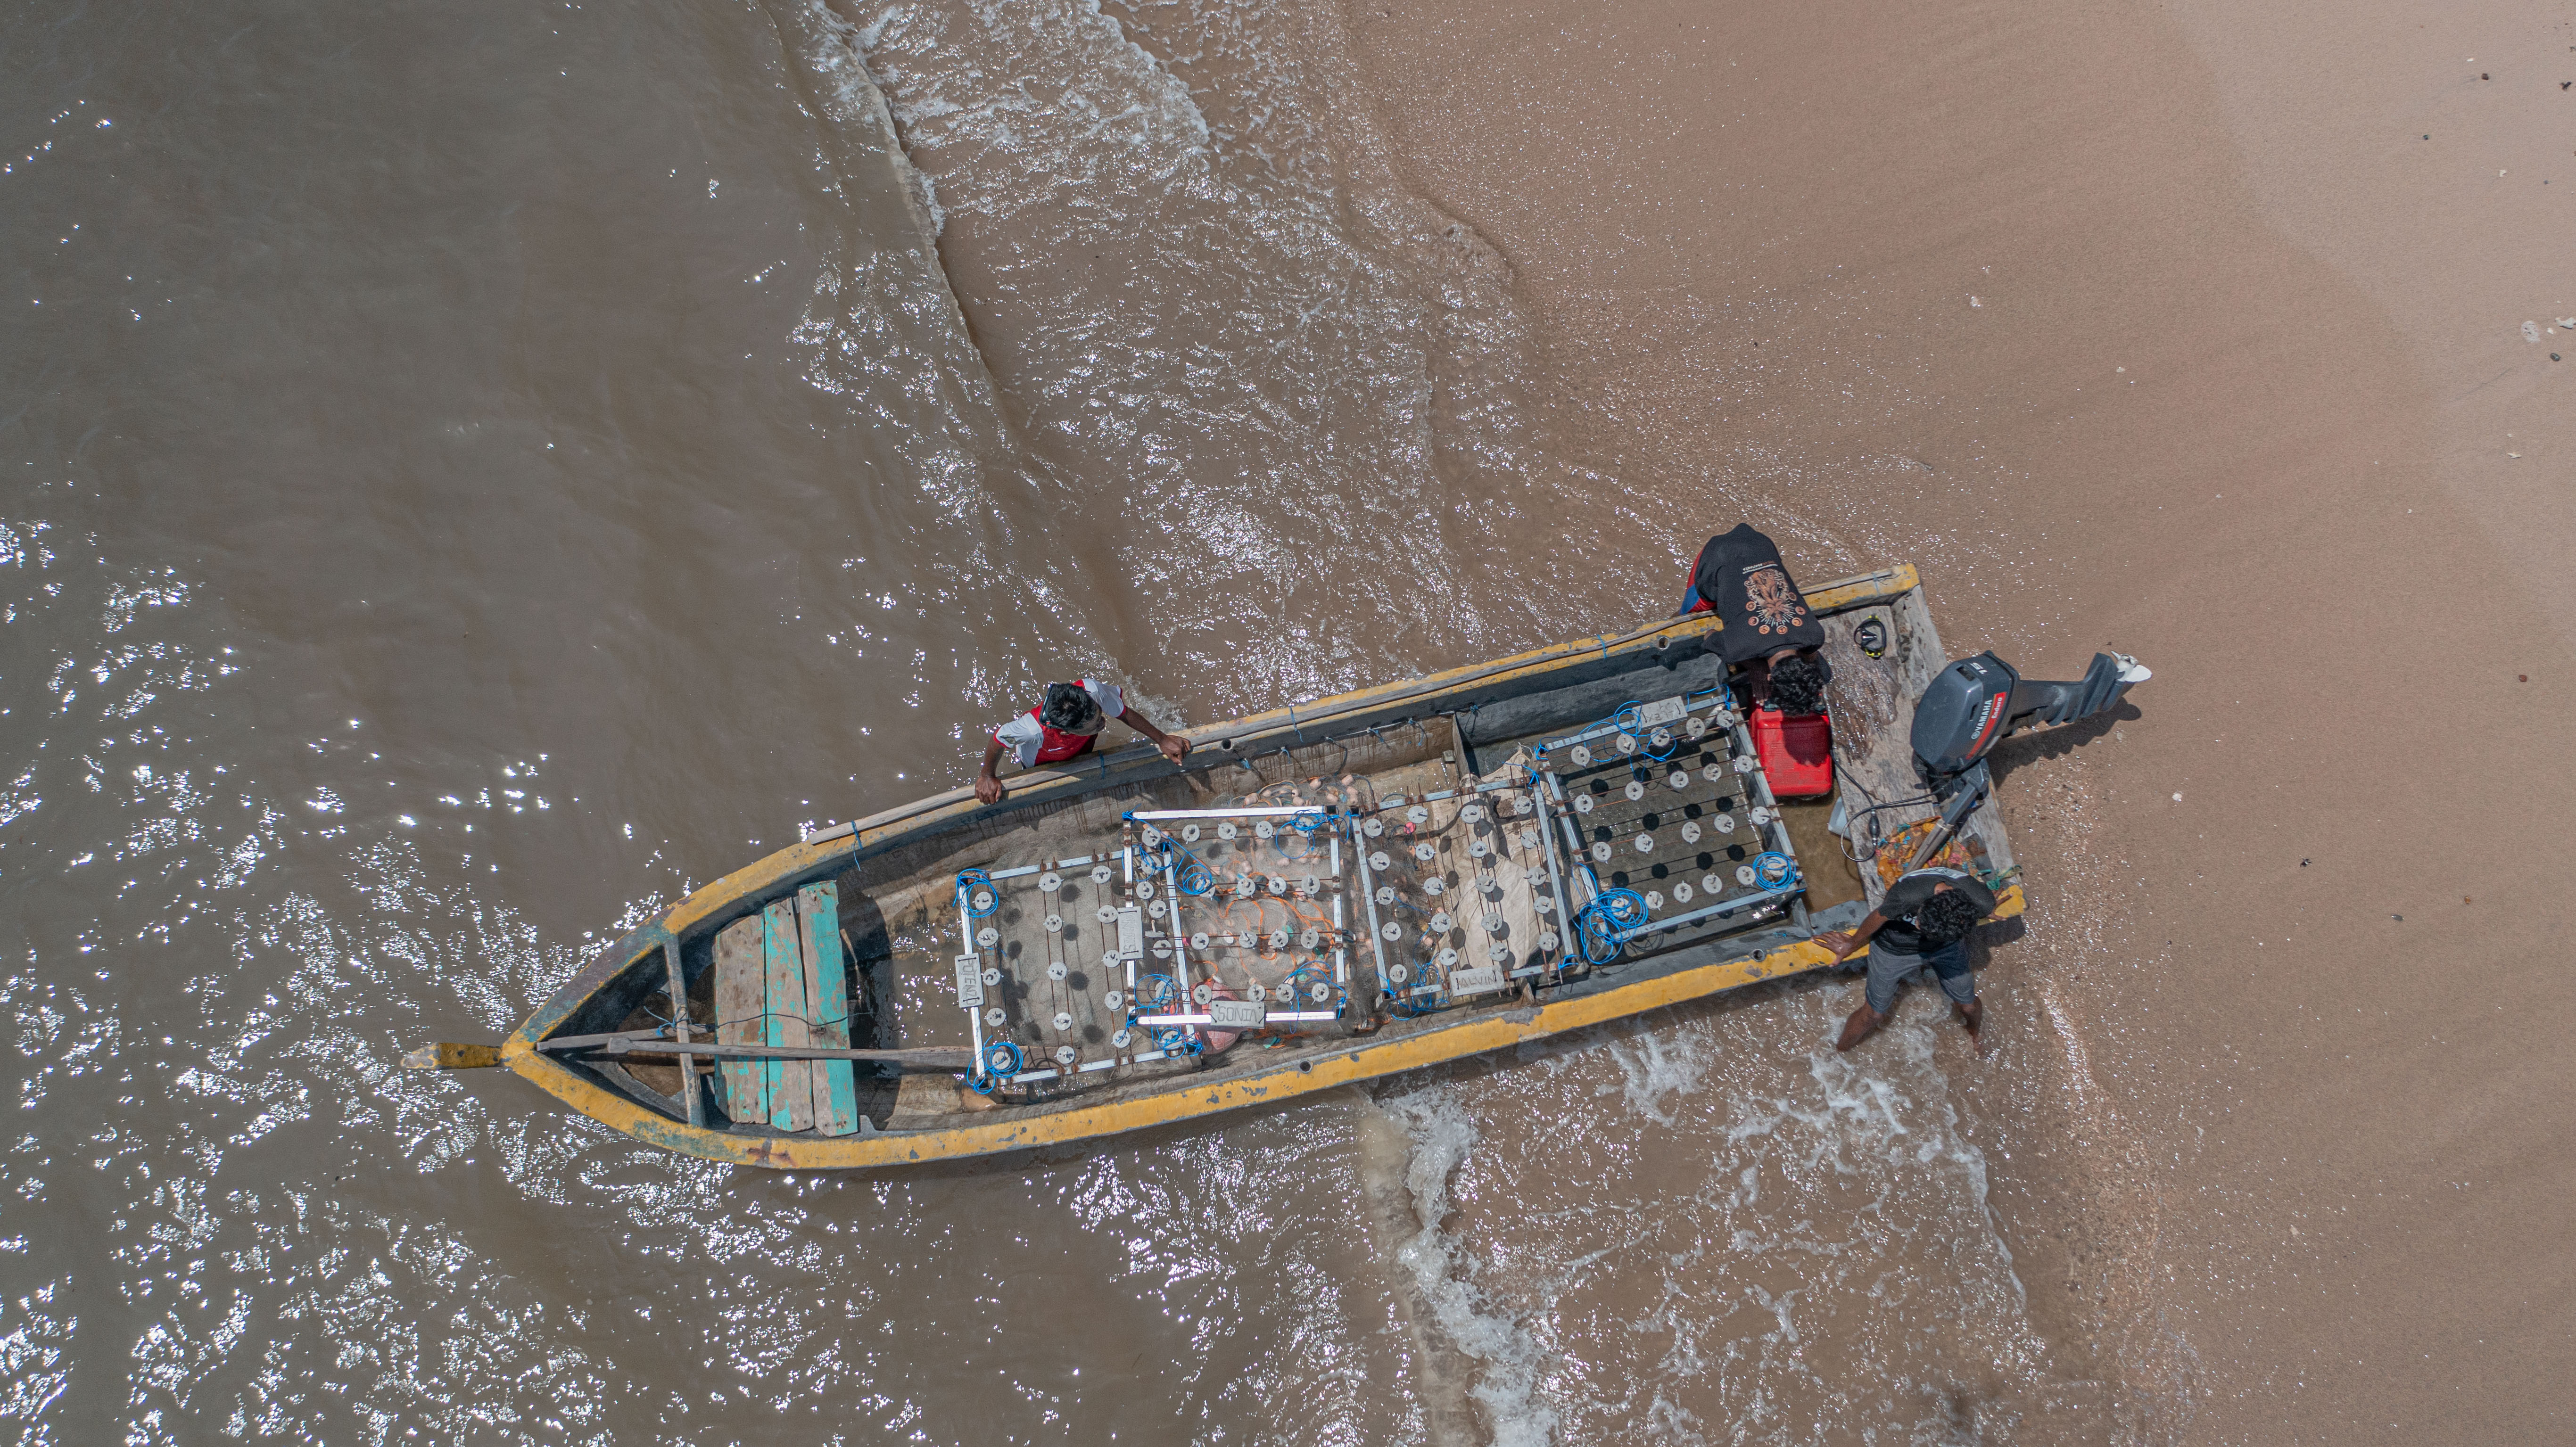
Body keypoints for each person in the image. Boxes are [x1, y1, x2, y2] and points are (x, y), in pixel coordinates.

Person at [1816, 867, 1997, 1050]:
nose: (1917, 924)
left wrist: (1982, 911)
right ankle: (1841, 1049)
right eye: (1920, 922)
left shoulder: (1982, 901)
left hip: (1945, 947)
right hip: (1895, 947)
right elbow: (1879, 917)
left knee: (1969, 1007)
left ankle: (1975, 1033)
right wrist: (1852, 943)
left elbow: (1981, 908)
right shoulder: (1907, 896)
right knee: (1874, 1016)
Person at [1676, 524, 1831, 715]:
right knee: (1687, 615)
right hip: (1720, 553)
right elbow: (1709, 635)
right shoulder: (1736, 649)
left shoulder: (1814, 635)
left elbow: (1813, 658)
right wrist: (1753, 666)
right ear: (1770, 678)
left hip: (1761, 544)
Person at [974, 679, 1190, 804]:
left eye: (1099, 716)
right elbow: (998, 740)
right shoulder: (1030, 730)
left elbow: (1124, 714)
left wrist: (1162, 739)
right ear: (1068, 732)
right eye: (1095, 725)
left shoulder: (1093, 692)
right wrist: (987, 775)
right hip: (1041, 761)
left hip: (1082, 746)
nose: (1103, 723)